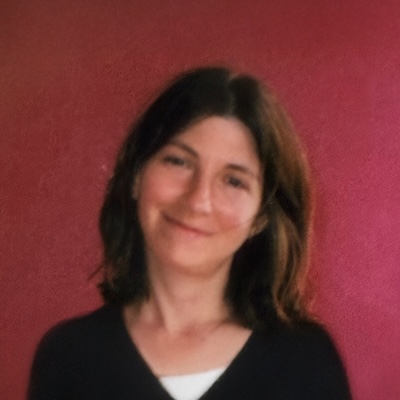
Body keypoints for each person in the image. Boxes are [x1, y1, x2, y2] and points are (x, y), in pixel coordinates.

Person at [28, 67, 351, 400]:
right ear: (137, 174)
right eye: (178, 162)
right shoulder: (68, 358)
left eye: (234, 181)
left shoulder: (305, 360)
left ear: (261, 217)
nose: (199, 200)